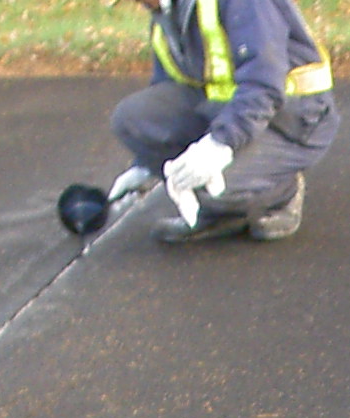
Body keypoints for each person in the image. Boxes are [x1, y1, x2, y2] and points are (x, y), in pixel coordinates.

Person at [106, 0, 337, 247]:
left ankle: (280, 194)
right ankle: (223, 213)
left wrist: (219, 145)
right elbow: (170, 87)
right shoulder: (166, 10)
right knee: (132, 119)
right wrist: (147, 164)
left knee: (213, 182)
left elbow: (264, 87)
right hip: (234, 110)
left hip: (294, 118)